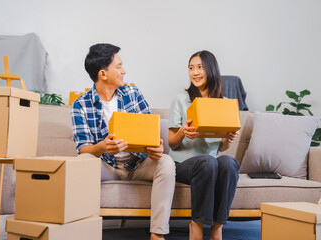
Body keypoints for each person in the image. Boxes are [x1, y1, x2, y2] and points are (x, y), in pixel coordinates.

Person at [71, 43, 175, 240]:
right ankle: (82, 230)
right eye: (118, 66)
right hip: (107, 167)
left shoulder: (133, 94)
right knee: (81, 161)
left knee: (166, 162)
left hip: (138, 164)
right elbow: (82, 148)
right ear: (103, 74)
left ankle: (157, 235)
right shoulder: (80, 105)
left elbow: (151, 133)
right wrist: (102, 147)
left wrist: (157, 148)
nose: (124, 71)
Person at [168, 50, 240, 240]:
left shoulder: (224, 103)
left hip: (211, 164)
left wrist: (227, 138)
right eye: (191, 68)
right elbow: (172, 143)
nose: (195, 72)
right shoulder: (180, 100)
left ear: (211, 70)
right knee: (208, 162)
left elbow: (221, 148)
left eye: (200, 67)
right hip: (183, 165)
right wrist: (183, 131)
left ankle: (218, 226)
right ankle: (196, 224)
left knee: (229, 163)